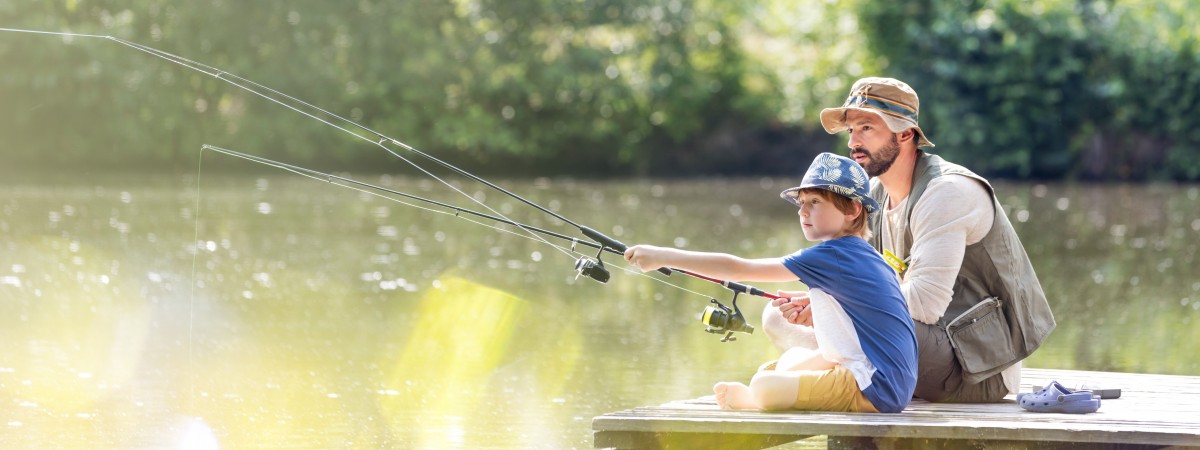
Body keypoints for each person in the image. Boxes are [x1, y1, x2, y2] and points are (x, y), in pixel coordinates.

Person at [765, 77, 1056, 403]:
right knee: (776, 318)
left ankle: (820, 376)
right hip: (912, 345)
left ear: (905, 134)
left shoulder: (946, 193)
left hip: (976, 369)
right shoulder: (873, 195)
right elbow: (865, 282)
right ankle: (833, 374)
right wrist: (822, 299)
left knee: (839, 317)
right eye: (851, 130)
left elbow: (925, 304)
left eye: (867, 128)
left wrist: (838, 304)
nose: (853, 143)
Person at [624, 153, 918, 413]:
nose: (803, 211)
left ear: (853, 210)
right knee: (787, 362)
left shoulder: (834, 254)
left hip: (875, 388)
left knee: (766, 383)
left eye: (815, 202)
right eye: (801, 203)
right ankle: (764, 390)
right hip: (885, 379)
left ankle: (754, 399)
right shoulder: (862, 253)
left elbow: (738, 268)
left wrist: (663, 256)